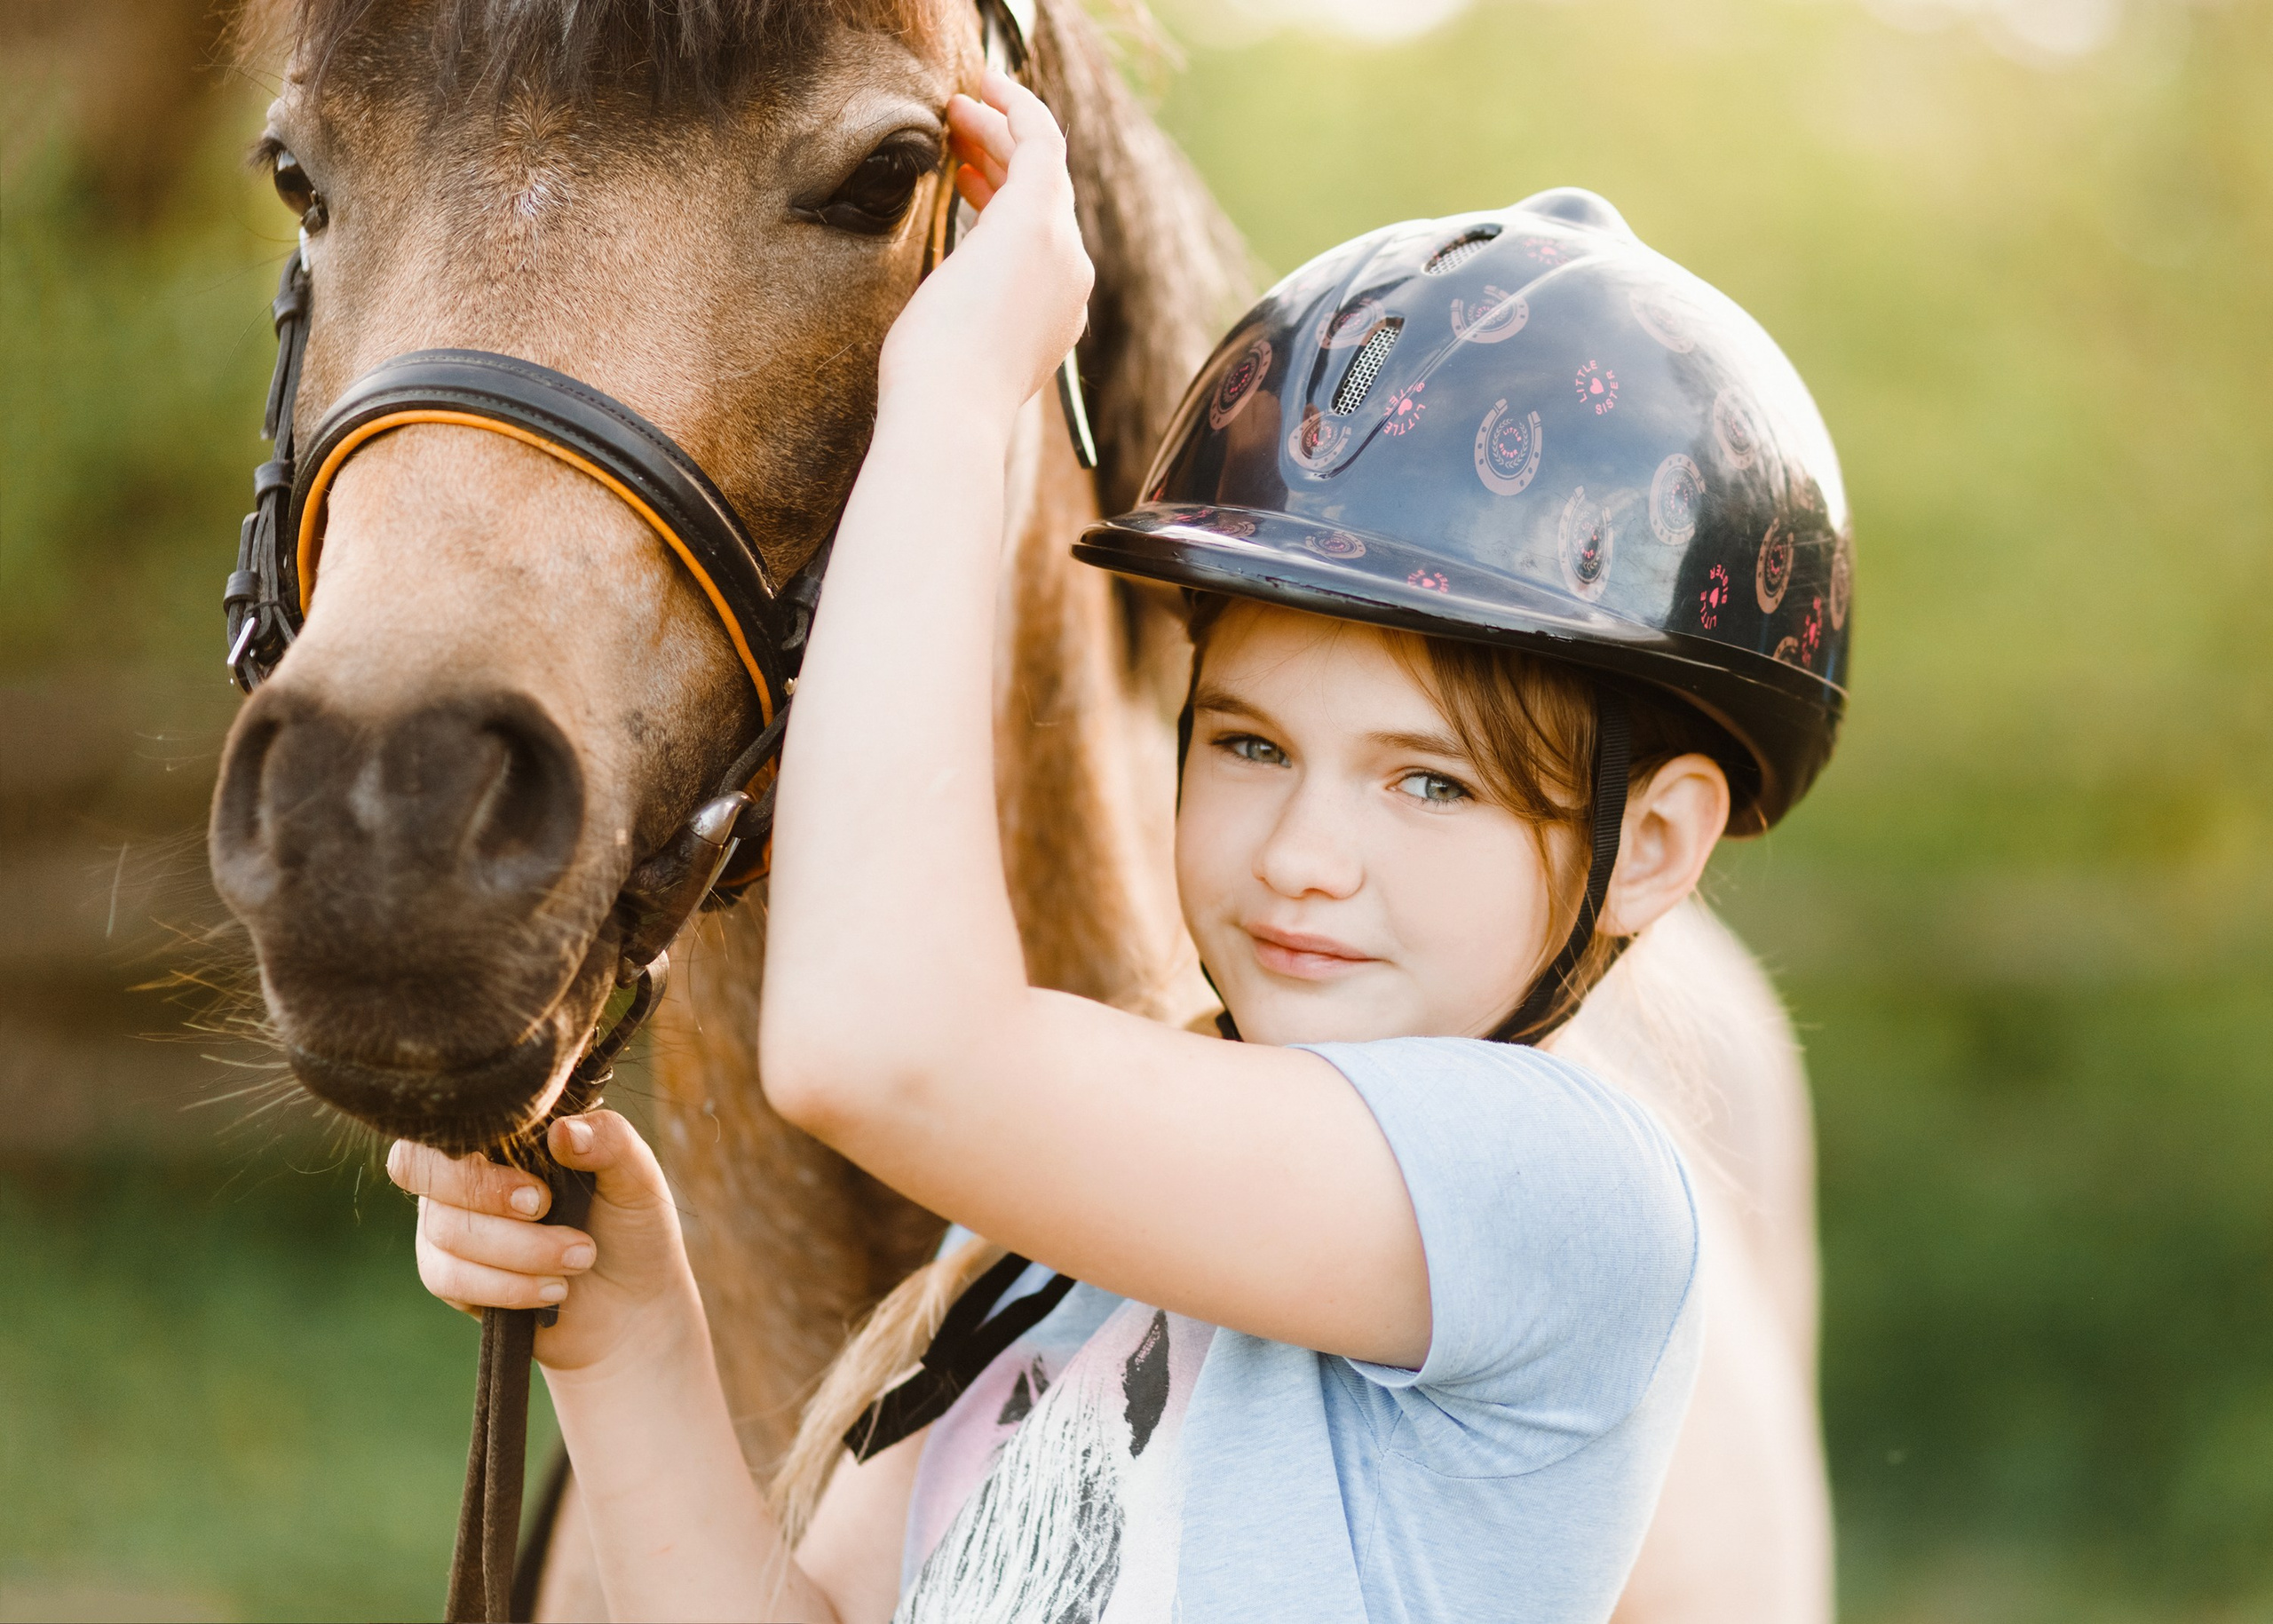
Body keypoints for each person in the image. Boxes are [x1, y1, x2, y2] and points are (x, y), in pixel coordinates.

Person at [389, 67, 1851, 1624]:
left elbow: (882, 1049)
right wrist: (633, 1341)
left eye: (1431, 784)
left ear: (1655, 841)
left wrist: (953, 399)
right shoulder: (1037, 1268)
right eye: (1249, 745)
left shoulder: (1568, 1194)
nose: (1302, 853)